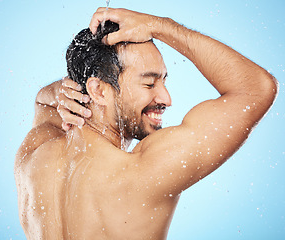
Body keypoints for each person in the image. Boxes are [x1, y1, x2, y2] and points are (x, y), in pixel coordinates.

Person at [15, 7, 278, 240]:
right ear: (99, 91)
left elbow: (44, 101)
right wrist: (161, 25)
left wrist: (66, 89)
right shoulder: (143, 172)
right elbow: (256, 88)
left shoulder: (34, 157)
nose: (166, 98)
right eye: (150, 83)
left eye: (164, 81)